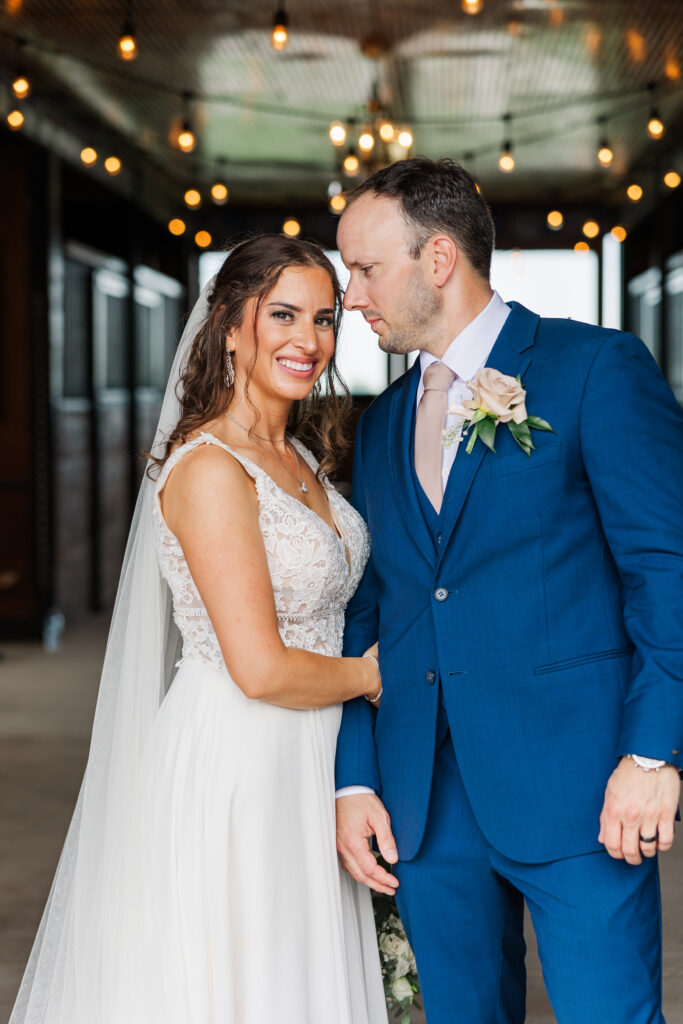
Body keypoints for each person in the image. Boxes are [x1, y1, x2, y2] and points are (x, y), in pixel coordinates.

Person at [334, 157, 683, 1024]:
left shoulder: (594, 368)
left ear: (439, 259)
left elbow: (666, 568)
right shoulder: (378, 425)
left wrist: (651, 756)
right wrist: (352, 780)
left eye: (366, 269)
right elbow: (371, 604)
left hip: (580, 788)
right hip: (423, 800)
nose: (350, 295)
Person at [10, 235, 388, 1024]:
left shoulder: (297, 454)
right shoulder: (211, 467)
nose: (307, 340)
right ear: (227, 325)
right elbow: (256, 667)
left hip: (315, 749)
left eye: (323, 319)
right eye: (281, 314)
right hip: (243, 756)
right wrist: (377, 673)